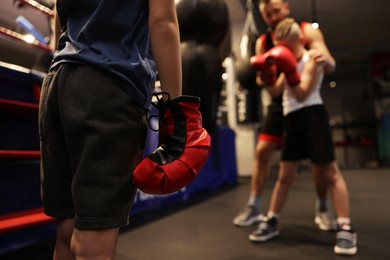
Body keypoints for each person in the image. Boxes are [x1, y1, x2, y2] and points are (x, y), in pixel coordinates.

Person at [39, 1, 182, 259]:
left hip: (58, 82)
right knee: (93, 241)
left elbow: (61, 18)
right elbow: (162, 21)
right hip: (109, 84)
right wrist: (176, 112)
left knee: (66, 230)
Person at [248, 18, 357, 256]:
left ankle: (346, 227)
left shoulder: (311, 58)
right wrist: (267, 75)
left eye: (285, 47)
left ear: (298, 41)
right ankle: (272, 220)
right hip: (292, 120)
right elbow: (277, 91)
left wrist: (288, 71)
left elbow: (302, 92)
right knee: (285, 176)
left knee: (331, 173)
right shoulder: (287, 59)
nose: (282, 52)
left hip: (313, 116)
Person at [233, 0, 337, 231]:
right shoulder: (263, 42)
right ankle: (253, 206)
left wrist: (322, 60)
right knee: (262, 152)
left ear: (287, 8)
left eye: (276, 11)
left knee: (318, 160)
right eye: (268, 15)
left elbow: (330, 65)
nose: (273, 17)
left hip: (306, 99)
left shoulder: (306, 30)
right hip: (280, 103)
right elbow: (268, 86)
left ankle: (322, 206)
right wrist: (267, 78)